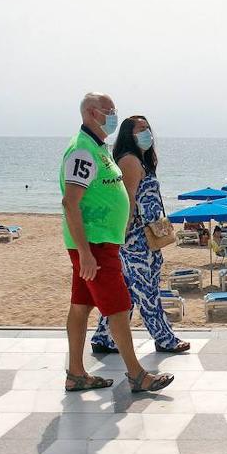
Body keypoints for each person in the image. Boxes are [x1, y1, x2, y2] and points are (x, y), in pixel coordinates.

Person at [61, 92, 173, 395]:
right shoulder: (82, 151)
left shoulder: (99, 148)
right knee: (119, 307)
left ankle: (76, 373)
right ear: (91, 113)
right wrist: (84, 252)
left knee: (81, 306)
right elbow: (70, 203)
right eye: (108, 111)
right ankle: (136, 374)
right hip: (94, 245)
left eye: (114, 111)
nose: (112, 116)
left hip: (100, 243)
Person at [91, 116, 189, 355]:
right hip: (136, 239)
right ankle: (164, 338)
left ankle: (104, 337)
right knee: (148, 289)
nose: (147, 133)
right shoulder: (130, 161)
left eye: (148, 128)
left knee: (126, 291)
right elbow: (128, 200)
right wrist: (122, 235)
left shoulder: (139, 161)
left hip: (145, 237)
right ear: (129, 135)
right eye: (141, 129)